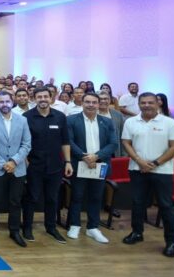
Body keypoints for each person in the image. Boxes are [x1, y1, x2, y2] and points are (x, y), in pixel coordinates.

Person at [121, 92, 174, 257]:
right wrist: (139, 161)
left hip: (162, 171)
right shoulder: (131, 122)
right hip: (137, 169)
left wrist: (154, 164)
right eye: (143, 103)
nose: (146, 105)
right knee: (137, 203)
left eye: (150, 102)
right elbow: (126, 142)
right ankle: (137, 233)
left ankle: (171, 242)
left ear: (157, 103)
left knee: (166, 205)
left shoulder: (170, 123)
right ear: (139, 104)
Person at [0, 91, 31, 247]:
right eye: (1, 102)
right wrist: (3, 164)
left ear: (12, 102)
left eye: (7, 101)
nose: (4, 104)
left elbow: (26, 144)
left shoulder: (22, 120)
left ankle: (14, 231)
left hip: (18, 168)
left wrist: (14, 161)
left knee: (15, 201)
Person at [66, 92, 118, 244]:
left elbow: (113, 143)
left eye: (94, 102)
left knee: (96, 197)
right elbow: (69, 141)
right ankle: (74, 225)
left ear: (99, 104)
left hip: (99, 164)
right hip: (79, 164)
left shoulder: (107, 121)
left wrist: (96, 157)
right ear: (82, 103)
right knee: (77, 196)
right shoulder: (71, 120)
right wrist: (85, 157)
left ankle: (93, 227)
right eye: (87, 102)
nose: (91, 105)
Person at [22, 87, 72, 243]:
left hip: (55, 166)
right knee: (32, 197)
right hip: (34, 165)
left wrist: (68, 162)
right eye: (39, 97)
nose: (42, 99)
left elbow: (65, 141)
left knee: (52, 198)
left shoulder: (60, 117)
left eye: (45, 96)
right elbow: (22, 142)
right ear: (34, 99)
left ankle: (51, 228)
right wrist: (26, 162)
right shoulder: (26, 117)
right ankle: (27, 228)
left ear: (51, 98)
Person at [98, 92, 126, 157]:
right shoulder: (91, 114)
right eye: (100, 99)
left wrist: (124, 153)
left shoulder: (117, 115)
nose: (103, 101)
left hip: (114, 151)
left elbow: (122, 135)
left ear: (110, 100)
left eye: (105, 99)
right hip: (96, 151)